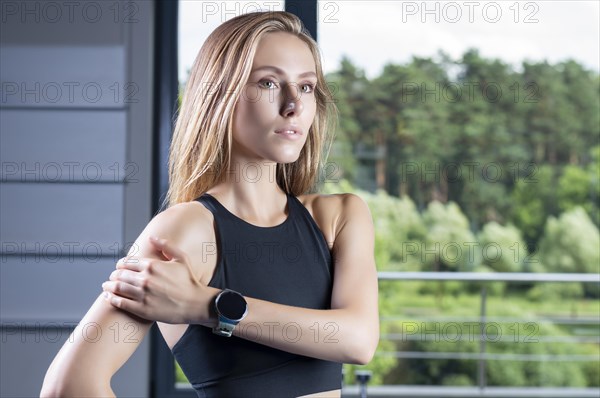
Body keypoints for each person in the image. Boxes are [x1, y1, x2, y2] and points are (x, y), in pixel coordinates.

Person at [40, 10, 379, 398]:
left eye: (305, 87)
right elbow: (67, 386)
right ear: (221, 93)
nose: (294, 106)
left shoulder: (339, 217)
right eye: (269, 82)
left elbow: (358, 340)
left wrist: (206, 305)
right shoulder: (182, 232)